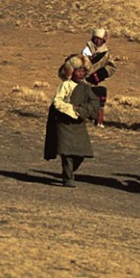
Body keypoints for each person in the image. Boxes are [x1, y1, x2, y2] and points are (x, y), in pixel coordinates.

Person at [44, 54, 100, 187]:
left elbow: (94, 104)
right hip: (63, 123)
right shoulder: (65, 86)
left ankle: (67, 172)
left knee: (81, 154)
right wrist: (70, 108)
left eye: (83, 71)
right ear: (71, 71)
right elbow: (57, 102)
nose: (81, 74)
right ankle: (68, 177)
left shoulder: (86, 88)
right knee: (67, 153)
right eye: (78, 70)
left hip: (78, 124)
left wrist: (83, 111)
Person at [81, 28, 115, 127]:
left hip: (99, 81)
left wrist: (100, 74)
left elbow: (112, 67)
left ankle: (99, 122)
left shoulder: (106, 53)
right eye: (96, 39)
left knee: (100, 103)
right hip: (86, 80)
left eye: (100, 39)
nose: (98, 41)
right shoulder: (86, 50)